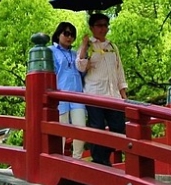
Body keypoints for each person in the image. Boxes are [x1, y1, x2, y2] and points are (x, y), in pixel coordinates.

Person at [77, 13, 128, 165]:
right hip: (95, 94)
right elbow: (80, 66)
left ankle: (101, 157)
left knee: (119, 129)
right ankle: (100, 161)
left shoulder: (113, 47)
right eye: (99, 25)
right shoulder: (88, 46)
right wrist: (85, 45)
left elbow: (119, 71)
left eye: (105, 25)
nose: (103, 28)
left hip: (114, 95)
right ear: (92, 28)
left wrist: (123, 94)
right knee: (97, 127)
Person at [51, 21, 87, 159]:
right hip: (60, 95)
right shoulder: (51, 51)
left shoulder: (75, 53)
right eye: (66, 33)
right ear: (58, 34)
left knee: (80, 129)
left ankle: (77, 160)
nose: (69, 37)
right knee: (61, 130)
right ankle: (59, 161)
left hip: (77, 95)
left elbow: (83, 72)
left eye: (72, 34)